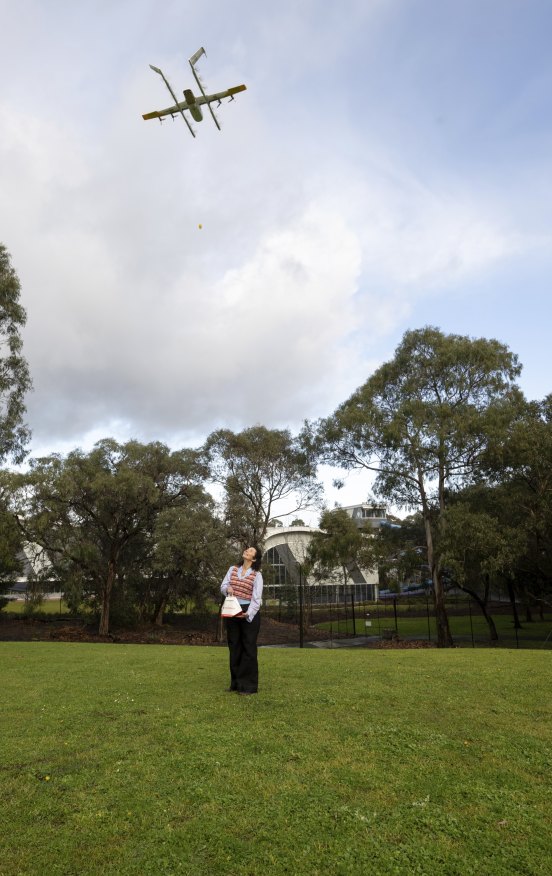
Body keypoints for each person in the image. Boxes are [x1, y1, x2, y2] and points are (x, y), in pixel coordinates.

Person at [220, 546, 263, 695]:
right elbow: (223, 586)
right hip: (232, 611)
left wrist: (248, 614)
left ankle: (249, 687)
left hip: (248, 613)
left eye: (251, 551)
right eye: (247, 549)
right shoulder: (232, 569)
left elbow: (257, 599)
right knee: (234, 647)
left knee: (248, 649)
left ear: (254, 558)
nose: (247, 551)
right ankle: (236, 684)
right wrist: (227, 589)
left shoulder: (257, 575)